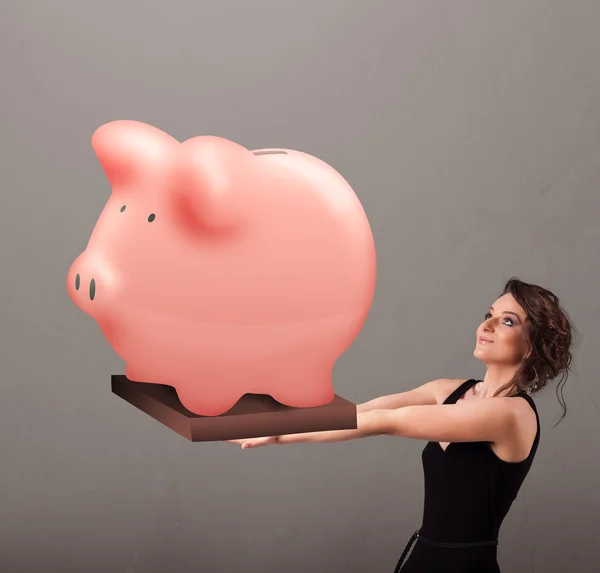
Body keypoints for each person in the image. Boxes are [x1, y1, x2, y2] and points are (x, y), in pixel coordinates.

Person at [226, 277, 575, 573]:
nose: (486, 326)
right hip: (420, 559)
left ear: (531, 347)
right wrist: (273, 416)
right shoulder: (447, 390)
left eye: (508, 321)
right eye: (489, 315)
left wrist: (276, 434)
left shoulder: (512, 415)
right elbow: (364, 410)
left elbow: (385, 421)